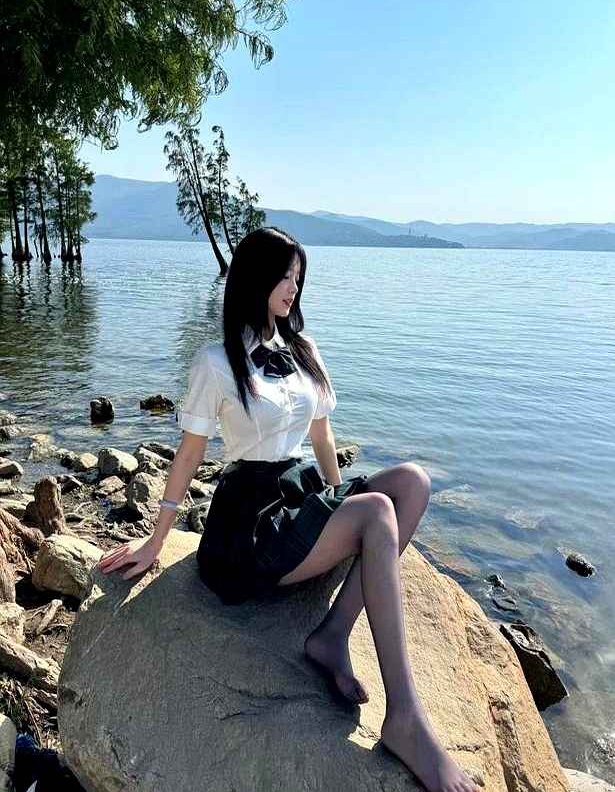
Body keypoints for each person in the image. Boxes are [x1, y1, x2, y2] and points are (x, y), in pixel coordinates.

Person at [97, 226, 481, 792]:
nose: (292, 288)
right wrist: (156, 540)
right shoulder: (216, 362)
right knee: (378, 512)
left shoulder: (304, 350)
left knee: (412, 484)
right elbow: (190, 454)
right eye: (283, 276)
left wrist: (340, 507)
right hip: (250, 521)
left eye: (298, 278)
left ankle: (331, 636)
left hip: (300, 492)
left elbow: (322, 437)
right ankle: (405, 719)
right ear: (254, 279)